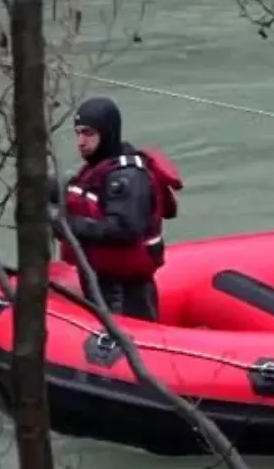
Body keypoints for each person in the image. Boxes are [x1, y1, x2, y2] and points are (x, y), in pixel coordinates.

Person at [48, 96, 184, 322]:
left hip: (123, 288)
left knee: (125, 338)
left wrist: (66, 225)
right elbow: (85, 195)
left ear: (108, 132)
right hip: (101, 279)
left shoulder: (128, 178)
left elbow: (124, 230)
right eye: (78, 133)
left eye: (89, 133)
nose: (80, 141)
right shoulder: (100, 170)